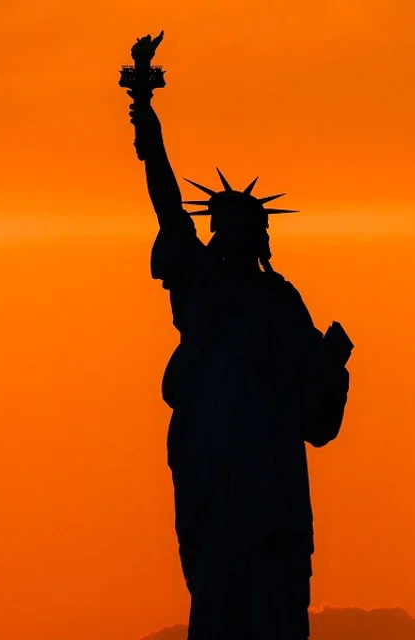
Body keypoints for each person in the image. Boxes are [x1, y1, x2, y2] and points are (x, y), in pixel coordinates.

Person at [126, 59, 352, 639]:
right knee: (218, 578)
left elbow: (314, 408)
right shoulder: (200, 281)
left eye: (238, 230)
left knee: (270, 586)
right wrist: (147, 123)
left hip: (269, 469)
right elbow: (166, 204)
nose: (225, 238)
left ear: (259, 237)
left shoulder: (278, 299)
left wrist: (331, 362)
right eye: (220, 228)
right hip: (213, 455)